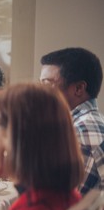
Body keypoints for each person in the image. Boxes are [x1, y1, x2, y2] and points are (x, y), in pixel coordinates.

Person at [40, 47, 104, 195]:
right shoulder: (93, 122)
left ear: (79, 88)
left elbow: (63, 204)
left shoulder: (81, 131)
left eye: (47, 84)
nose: (40, 92)